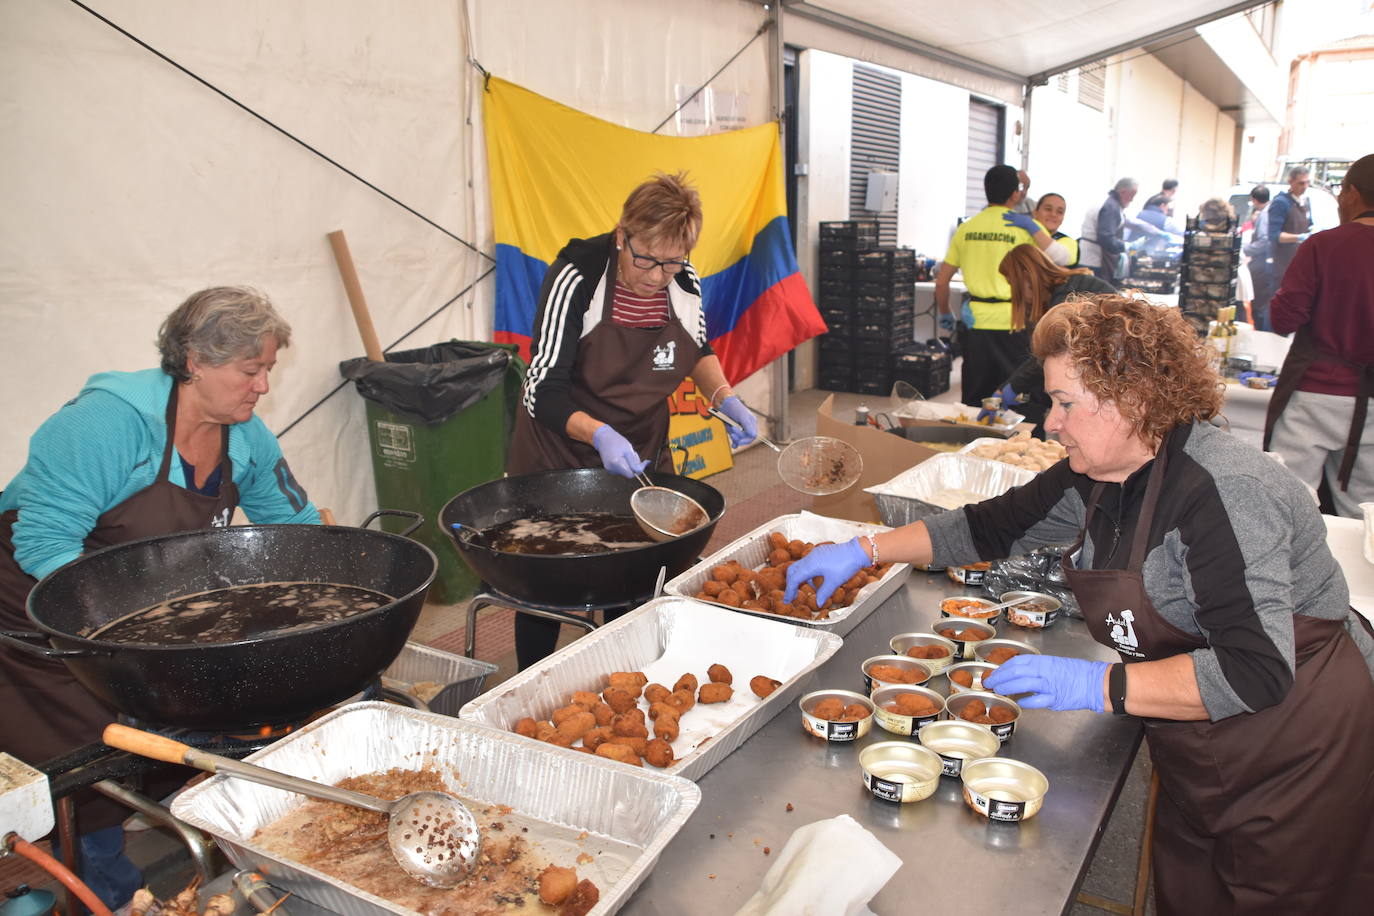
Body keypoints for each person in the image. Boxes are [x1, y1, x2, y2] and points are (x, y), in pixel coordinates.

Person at [786, 293, 1374, 914]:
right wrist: (864, 547)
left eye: (1065, 403)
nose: (1050, 423)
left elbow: (1255, 668)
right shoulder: (1096, 475)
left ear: (1137, 399)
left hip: (1296, 747)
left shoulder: (1226, 493)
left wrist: (1097, 685)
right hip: (1197, 744)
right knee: (1190, 890)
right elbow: (988, 527)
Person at [0, 286, 320, 908]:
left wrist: (355, 594)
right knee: (88, 757)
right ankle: (111, 895)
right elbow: (43, 541)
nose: (262, 388)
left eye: (268, 371)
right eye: (250, 371)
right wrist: (139, 631)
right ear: (195, 361)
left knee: (189, 721)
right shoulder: (104, 424)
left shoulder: (244, 436)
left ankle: (217, 846)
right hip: (36, 616)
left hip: (148, 609)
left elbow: (298, 525)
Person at [508, 172, 755, 666]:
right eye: (646, 258)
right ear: (622, 235)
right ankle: (526, 683)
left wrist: (724, 394)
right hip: (559, 449)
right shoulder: (578, 277)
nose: (657, 275)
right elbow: (541, 388)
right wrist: (598, 433)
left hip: (637, 453)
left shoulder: (684, 283)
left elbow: (697, 347)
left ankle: (623, 679)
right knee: (547, 585)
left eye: (672, 261)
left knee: (631, 577)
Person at [1265, 153, 1374, 519]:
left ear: (1353, 194)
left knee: (1289, 509)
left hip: (1314, 394)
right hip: (1372, 402)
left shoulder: (1323, 246)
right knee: (1365, 517)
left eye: (1342, 191)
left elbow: (1283, 319)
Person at [934, 165, 1073, 406]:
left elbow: (942, 280)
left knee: (976, 395)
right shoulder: (1022, 226)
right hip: (1017, 321)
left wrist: (945, 312)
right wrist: (1031, 227)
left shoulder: (966, 228)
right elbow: (1064, 258)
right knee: (1018, 393)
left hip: (976, 322)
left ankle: (973, 441)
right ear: (1015, 194)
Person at [988, 244, 1114, 433]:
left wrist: (1009, 388)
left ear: (1026, 275)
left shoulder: (1068, 294)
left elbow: (1050, 352)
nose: (1013, 291)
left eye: (1012, 283)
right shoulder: (1058, 291)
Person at [1079, 178, 1139, 284]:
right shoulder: (1111, 207)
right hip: (1095, 260)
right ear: (1123, 192)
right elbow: (1106, 238)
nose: (1132, 200)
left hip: (1089, 258)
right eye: (1132, 196)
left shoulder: (1110, 203)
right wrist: (1125, 246)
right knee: (1094, 295)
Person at [1266, 166, 1313, 287]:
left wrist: (1312, 231)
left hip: (1301, 261)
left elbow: (1309, 224)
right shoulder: (1281, 203)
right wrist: (1300, 237)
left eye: (1307, 182)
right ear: (1290, 181)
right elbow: (1274, 235)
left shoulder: (1305, 201)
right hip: (1283, 263)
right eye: (1301, 183)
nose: (1305, 186)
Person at [1242, 185, 1275, 330]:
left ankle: (1260, 333)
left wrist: (1245, 250)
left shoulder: (1265, 214)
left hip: (1262, 265)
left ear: (1254, 200)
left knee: (1259, 304)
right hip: (1267, 263)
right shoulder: (1269, 212)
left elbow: (1264, 241)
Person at [1032, 192, 1078, 266]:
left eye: (1060, 212)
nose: (1053, 214)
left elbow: (1060, 258)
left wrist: (1033, 229)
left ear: (1063, 218)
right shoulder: (1021, 233)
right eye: (1048, 209)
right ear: (1035, 212)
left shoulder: (1069, 242)